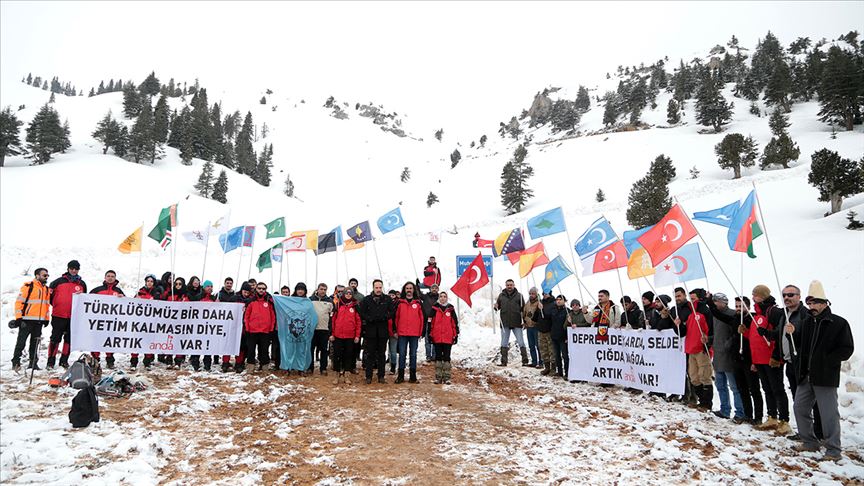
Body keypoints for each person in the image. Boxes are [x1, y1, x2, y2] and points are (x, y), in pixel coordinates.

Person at [790, 281, 855, 462]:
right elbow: (801, 345)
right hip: (806, 376)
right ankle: (810, 442)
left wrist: (827, 361)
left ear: (825, 303)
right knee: (799, 408)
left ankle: (833, 450)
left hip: (825, 377)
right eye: (809, 303)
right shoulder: (806, 322)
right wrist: (793, 333)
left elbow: (846, 349)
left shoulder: (839, 323)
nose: (812, 307)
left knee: (828, 415)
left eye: (815, 303)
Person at [774, 284, 822, 441]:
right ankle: (804, 432)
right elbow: (779, 335)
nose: (787, 298)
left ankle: (818, 432)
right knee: (798, 400)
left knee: (811, 401)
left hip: (802, 364)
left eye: (791, 295)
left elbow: (808, 338)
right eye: (784, 295)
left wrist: (795, 333)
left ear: (799, 296)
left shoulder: (805, 314)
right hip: (789, 363)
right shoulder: (785, 314)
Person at [743, 284, 791, 435]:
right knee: (767, 389)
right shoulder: (756, 315)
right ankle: (772, 417)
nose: (753, 297)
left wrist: (776, 356)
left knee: (778, 389)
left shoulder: (773, 311)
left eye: (755, 295)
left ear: (762, 296)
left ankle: (784, 421)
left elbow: (779, 333)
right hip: (759, 359)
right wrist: (745, 333)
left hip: (771, 358)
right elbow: (756, 337)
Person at [706, 292, 746, 421]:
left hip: (729, 356)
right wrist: (709, 339)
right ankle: (725, 410)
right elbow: (717, 334)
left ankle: (740, 412)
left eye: (717, 301)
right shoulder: (715, 315)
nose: (715, 304)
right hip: (717, 355)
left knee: (734, 386)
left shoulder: (732, 314)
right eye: (714, 301)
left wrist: (727, 346)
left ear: (724, 302)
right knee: (720, 385)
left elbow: (735, 335)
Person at [673, 287, 714, 412]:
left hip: (701, 349)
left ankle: (707, 403)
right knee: (694, 377)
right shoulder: (691, 314)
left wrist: (708, 342)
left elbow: (711, 329)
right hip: (690, 348)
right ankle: (701, 400)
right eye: (690, 298)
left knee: (704, 376)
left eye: (693, 298)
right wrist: (678, 325)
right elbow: (684, 332)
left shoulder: (705, 312)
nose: (691, 301)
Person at [47, 260, 87, 369]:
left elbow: (84, 300)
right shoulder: (57, 282)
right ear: (68, 268)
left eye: (76, 269)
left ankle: (64, 361)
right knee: (55, 339)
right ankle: (50, 361)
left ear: (79, 270)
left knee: (69, 339)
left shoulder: (82, 284)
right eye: (72, 268)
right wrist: (58, 305)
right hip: (58, 315)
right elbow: (49, 298)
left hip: (74, 317)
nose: (74, 271)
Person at [12, 268, 50, 372]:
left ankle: (33, 363)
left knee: (35, 343)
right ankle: (15, 362)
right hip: (26, 321)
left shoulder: (46, 289)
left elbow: (46, 306)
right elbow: (19, 302)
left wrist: (46, 319)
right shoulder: (29, 286)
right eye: (44, 275)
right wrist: (19, 318)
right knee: (21, 342)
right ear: (37, 275)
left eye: (47, 275)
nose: (46, 277)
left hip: (38, 322)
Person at [733, 296, 764, 425]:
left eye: (741, 306)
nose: (738, 309)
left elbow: (755, 340)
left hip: (750, 359)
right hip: (737, 359)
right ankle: (747, 414)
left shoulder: (753, 319)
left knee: (754, 389)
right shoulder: (735, 319)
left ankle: (758, 417)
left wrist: (754, 361)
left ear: (748, 306)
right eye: (737, 306)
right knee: (742, 389)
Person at [359, 280, 394, 384]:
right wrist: (369, 318)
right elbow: (362, 312)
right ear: (373, 288)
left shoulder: (387, 299)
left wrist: (384, 317)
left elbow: (392, 312)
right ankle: (368, 376)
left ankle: (381, 376)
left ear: (382, 287)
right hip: (370, 331)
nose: (378, 290)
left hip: (383, 331)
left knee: (382, 354)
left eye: (380, 287)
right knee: (370, 354)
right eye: (376, 288)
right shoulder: (367, 299)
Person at [89, 270, 125, 369]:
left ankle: (110, 361)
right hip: (98, 322)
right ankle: (95, 360)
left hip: (112, 322)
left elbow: (126, 306)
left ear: (115, 278)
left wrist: (123, 298)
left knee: (110, 341)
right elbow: (86, 300)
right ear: (105, 277)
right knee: (96, 341)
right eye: (108, 276)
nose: (110, 278)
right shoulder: (97, 290)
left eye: (112, 276)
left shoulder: (118, 291)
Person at [394, 281, 425, 383]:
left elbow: (422, 318)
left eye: (410, 288)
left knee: (413, 354)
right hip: (402, 333)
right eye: (407, 288)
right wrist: (395, 330)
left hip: (414, 334)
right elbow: (396, 318)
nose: (409, 290)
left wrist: (421, 332)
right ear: (404, 290)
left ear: (413, 290)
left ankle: (413, 376)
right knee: (402, 354)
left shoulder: (418, 303)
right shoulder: (399, 303)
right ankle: (401, 376)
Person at [330, 287, 361, 384]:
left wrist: (357, 335)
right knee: (337, 355)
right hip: (338, 335)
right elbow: (333, 320)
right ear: (343, 294)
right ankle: (336, 375)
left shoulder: (355, 306)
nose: (348, 295)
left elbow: (358, 322)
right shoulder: (338, 304)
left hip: (350, 336)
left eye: (350, 294)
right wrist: (331, 333)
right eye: (346, 293)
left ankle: (347, 375)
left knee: (348, 355)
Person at [494, 279, 528, 367]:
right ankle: (503, 361)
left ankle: (525, 361)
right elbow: (497, 308)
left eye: (511, 285)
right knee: (504, 342)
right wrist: (495, 306)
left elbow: (523, 310)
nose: (509, 286)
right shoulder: (501, 296)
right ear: (506, 286)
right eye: (508, 285)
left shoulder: (519, 296)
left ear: (514, 285)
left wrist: (524, 321)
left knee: (521, 342)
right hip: (505, 322)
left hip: (517, 322)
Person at [245, 282, 276, 372]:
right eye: (259, 288)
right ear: (256, 289)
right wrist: (247, 328)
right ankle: (250, 367)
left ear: (265, 290)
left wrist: (271, 329)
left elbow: (273, 316)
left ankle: (264, 367)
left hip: (265, 331)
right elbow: (246, 316)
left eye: (263, 288)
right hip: (252, 331)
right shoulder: (251, 301)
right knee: (251, 350)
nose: (261, 290)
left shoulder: (269, 301)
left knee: (264, 350)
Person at [223, 282, 253, 373]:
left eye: (248, 292)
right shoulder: (234, 298)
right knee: (228, 344)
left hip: (243, 327)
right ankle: (225, 362)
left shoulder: (251, 300)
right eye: (245, 291)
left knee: (241, 346)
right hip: (232, 325)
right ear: (242, 290)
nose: (246, 294)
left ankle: (239, 363)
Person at [132, 274, 160, 370]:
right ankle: (133, 362)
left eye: (151, 281)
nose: (149, 283)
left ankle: (147, 362)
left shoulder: (157, 293)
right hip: (139, 323)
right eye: (148, 281)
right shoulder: (139, 293)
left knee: (149, 343)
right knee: (136, 343)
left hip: (151, 323)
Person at [429, 291, 458, 384]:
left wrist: (455, 335)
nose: (442, 298)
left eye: (444, 296)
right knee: (438, 357)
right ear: (439, 298)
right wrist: (430, 334)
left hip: (447, 337)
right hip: (437, 337)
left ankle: (447, 377)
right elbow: (430, 323)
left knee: (446, 357)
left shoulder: (451, 309)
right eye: (441, 296)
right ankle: (438, 377)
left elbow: (454, 323)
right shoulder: (434, 308)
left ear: (447, 298)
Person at [309, 283, 334, 375]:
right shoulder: (310, 300)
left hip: (324, 329)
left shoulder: (330, 301)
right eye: (321, 289)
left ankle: (323, 368)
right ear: (317, 289)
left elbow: (332, 317)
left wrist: (331, 330)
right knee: (311, 349)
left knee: (324, 350)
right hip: (312, 329)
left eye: (324, 289)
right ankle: (309, 368)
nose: (323, 291)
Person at [533, 292, 556, 376]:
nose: (544, 295)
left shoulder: (553, 303)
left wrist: (543, 310)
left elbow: (552, 316)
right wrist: (538, 309)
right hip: (541, 330)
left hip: (549, 330)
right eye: (543, 294)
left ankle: (553, 368)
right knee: (543, 350)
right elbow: (535, 318)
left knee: (552, 350)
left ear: (550, 293)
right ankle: (547, 367)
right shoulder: (540, 302)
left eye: (546, 293)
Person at [549, 295, 571, 379]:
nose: (558, 301)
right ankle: (560, 372)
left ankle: (567, 372)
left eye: (560, 299)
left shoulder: (567, 311)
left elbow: (569, 325)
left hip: (563, 337)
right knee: (556, 355)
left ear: (564, 301)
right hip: (554, 335)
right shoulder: (553, 310)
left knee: (565, 355)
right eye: (557, 300)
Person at [418, 282, 439, 362]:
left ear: (438, 290)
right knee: (427, 339)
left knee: (435, 339)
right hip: (427, 321)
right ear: (430, 289)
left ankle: (434, 355)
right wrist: (417, 285)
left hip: (436, 321)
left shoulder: (439, 297)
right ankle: (428, 355)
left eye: (436, 288)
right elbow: (418, 294)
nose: (434, 289)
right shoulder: (426, 296)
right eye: (433, 288)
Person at [522, 288, 542, 368]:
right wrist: (524, 321)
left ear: (536, 294)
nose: (531, 295)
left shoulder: (539, 303)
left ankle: (541, 362)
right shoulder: (527, 302)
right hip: (528, 326)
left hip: (536, 326)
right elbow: (524, 312)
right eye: (530, 293)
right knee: (531, 345)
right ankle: (534, 361)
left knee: (538, 345)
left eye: (533, 293)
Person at [386, 289, 399, 374]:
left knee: (393, 350)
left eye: (393, 295)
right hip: (385, 330)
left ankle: (393, 367)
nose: (391, 297)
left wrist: (396, 331)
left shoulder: (398, 305)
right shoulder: (384, 304)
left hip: (393, 331)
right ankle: (389, 362)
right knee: (387, 349)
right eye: (390, 295)